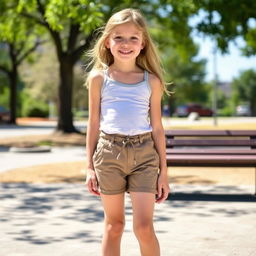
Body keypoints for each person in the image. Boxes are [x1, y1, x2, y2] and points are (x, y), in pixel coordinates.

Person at [85, 8, 170, 256]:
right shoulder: (98, 78)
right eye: (119, 37)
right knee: (114, 226)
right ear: (108, 42)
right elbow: (93, 123)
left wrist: (164, 172)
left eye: (133, 37)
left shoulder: (151, 81)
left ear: (142, 43)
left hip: (144, 155)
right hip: (108, 154)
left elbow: (157, 127)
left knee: (143, 228)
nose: (126, 43)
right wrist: (89, 166)